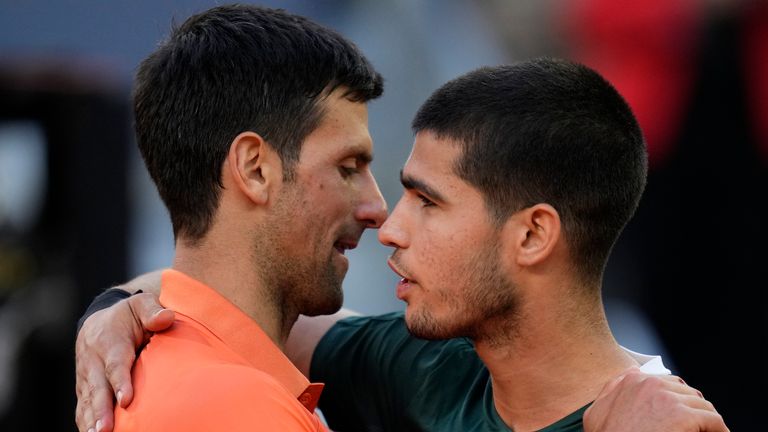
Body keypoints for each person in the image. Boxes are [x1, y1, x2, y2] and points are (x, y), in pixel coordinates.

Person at [75, 39, 728, 432]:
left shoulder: (661, 422)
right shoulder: (421, 369)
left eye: (428, 202)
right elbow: (227, 293)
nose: (389, 227)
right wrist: (112, 309)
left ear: (532, 235)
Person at [83, 4, 387, 431]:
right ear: (255, 169)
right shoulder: (238, 406)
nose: (377, 208)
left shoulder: (182, 377)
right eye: (348, 167)